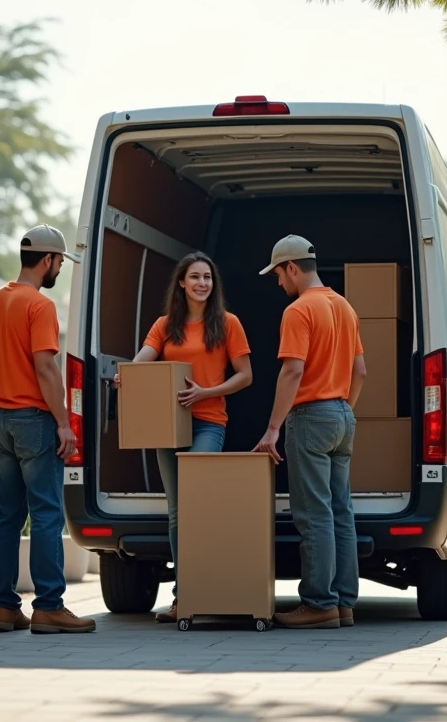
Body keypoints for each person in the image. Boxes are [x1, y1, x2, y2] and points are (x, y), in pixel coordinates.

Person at [113, 252, 253, 623]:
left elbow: (245, 375)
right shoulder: (165, 325)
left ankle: (209, 588)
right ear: (181, 282)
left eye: (207, 277)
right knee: (177, 512)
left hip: (209, 422)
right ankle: (184, 597)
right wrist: (127, 376)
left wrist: (206, 392)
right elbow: (142, 360)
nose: (202, 283)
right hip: (169, 425)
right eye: (195, 277)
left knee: (196, 504)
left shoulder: (227, 323)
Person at [0, 224, 96, 634]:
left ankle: (4, 607)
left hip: (2, 420)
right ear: (47, 260)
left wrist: (9, 388)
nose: (60, 268)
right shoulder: (40, 306)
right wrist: (63, 423)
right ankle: (48, 606)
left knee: (8, 515)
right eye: (60, 261)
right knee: (46, 513)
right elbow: (46, 367)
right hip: (35, 421)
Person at [253, 235, 366, 630]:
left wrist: (272, 428)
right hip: (342, 414)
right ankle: (344, 603)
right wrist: (341, 410)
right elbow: (361, 371)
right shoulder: (345, 307)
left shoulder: (299, 310)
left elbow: (293, 370)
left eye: (278, 275)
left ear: (292, 268)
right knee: (340, 512)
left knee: (314, 513)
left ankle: (319, 603)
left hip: (310, 417)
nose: (278, 282)